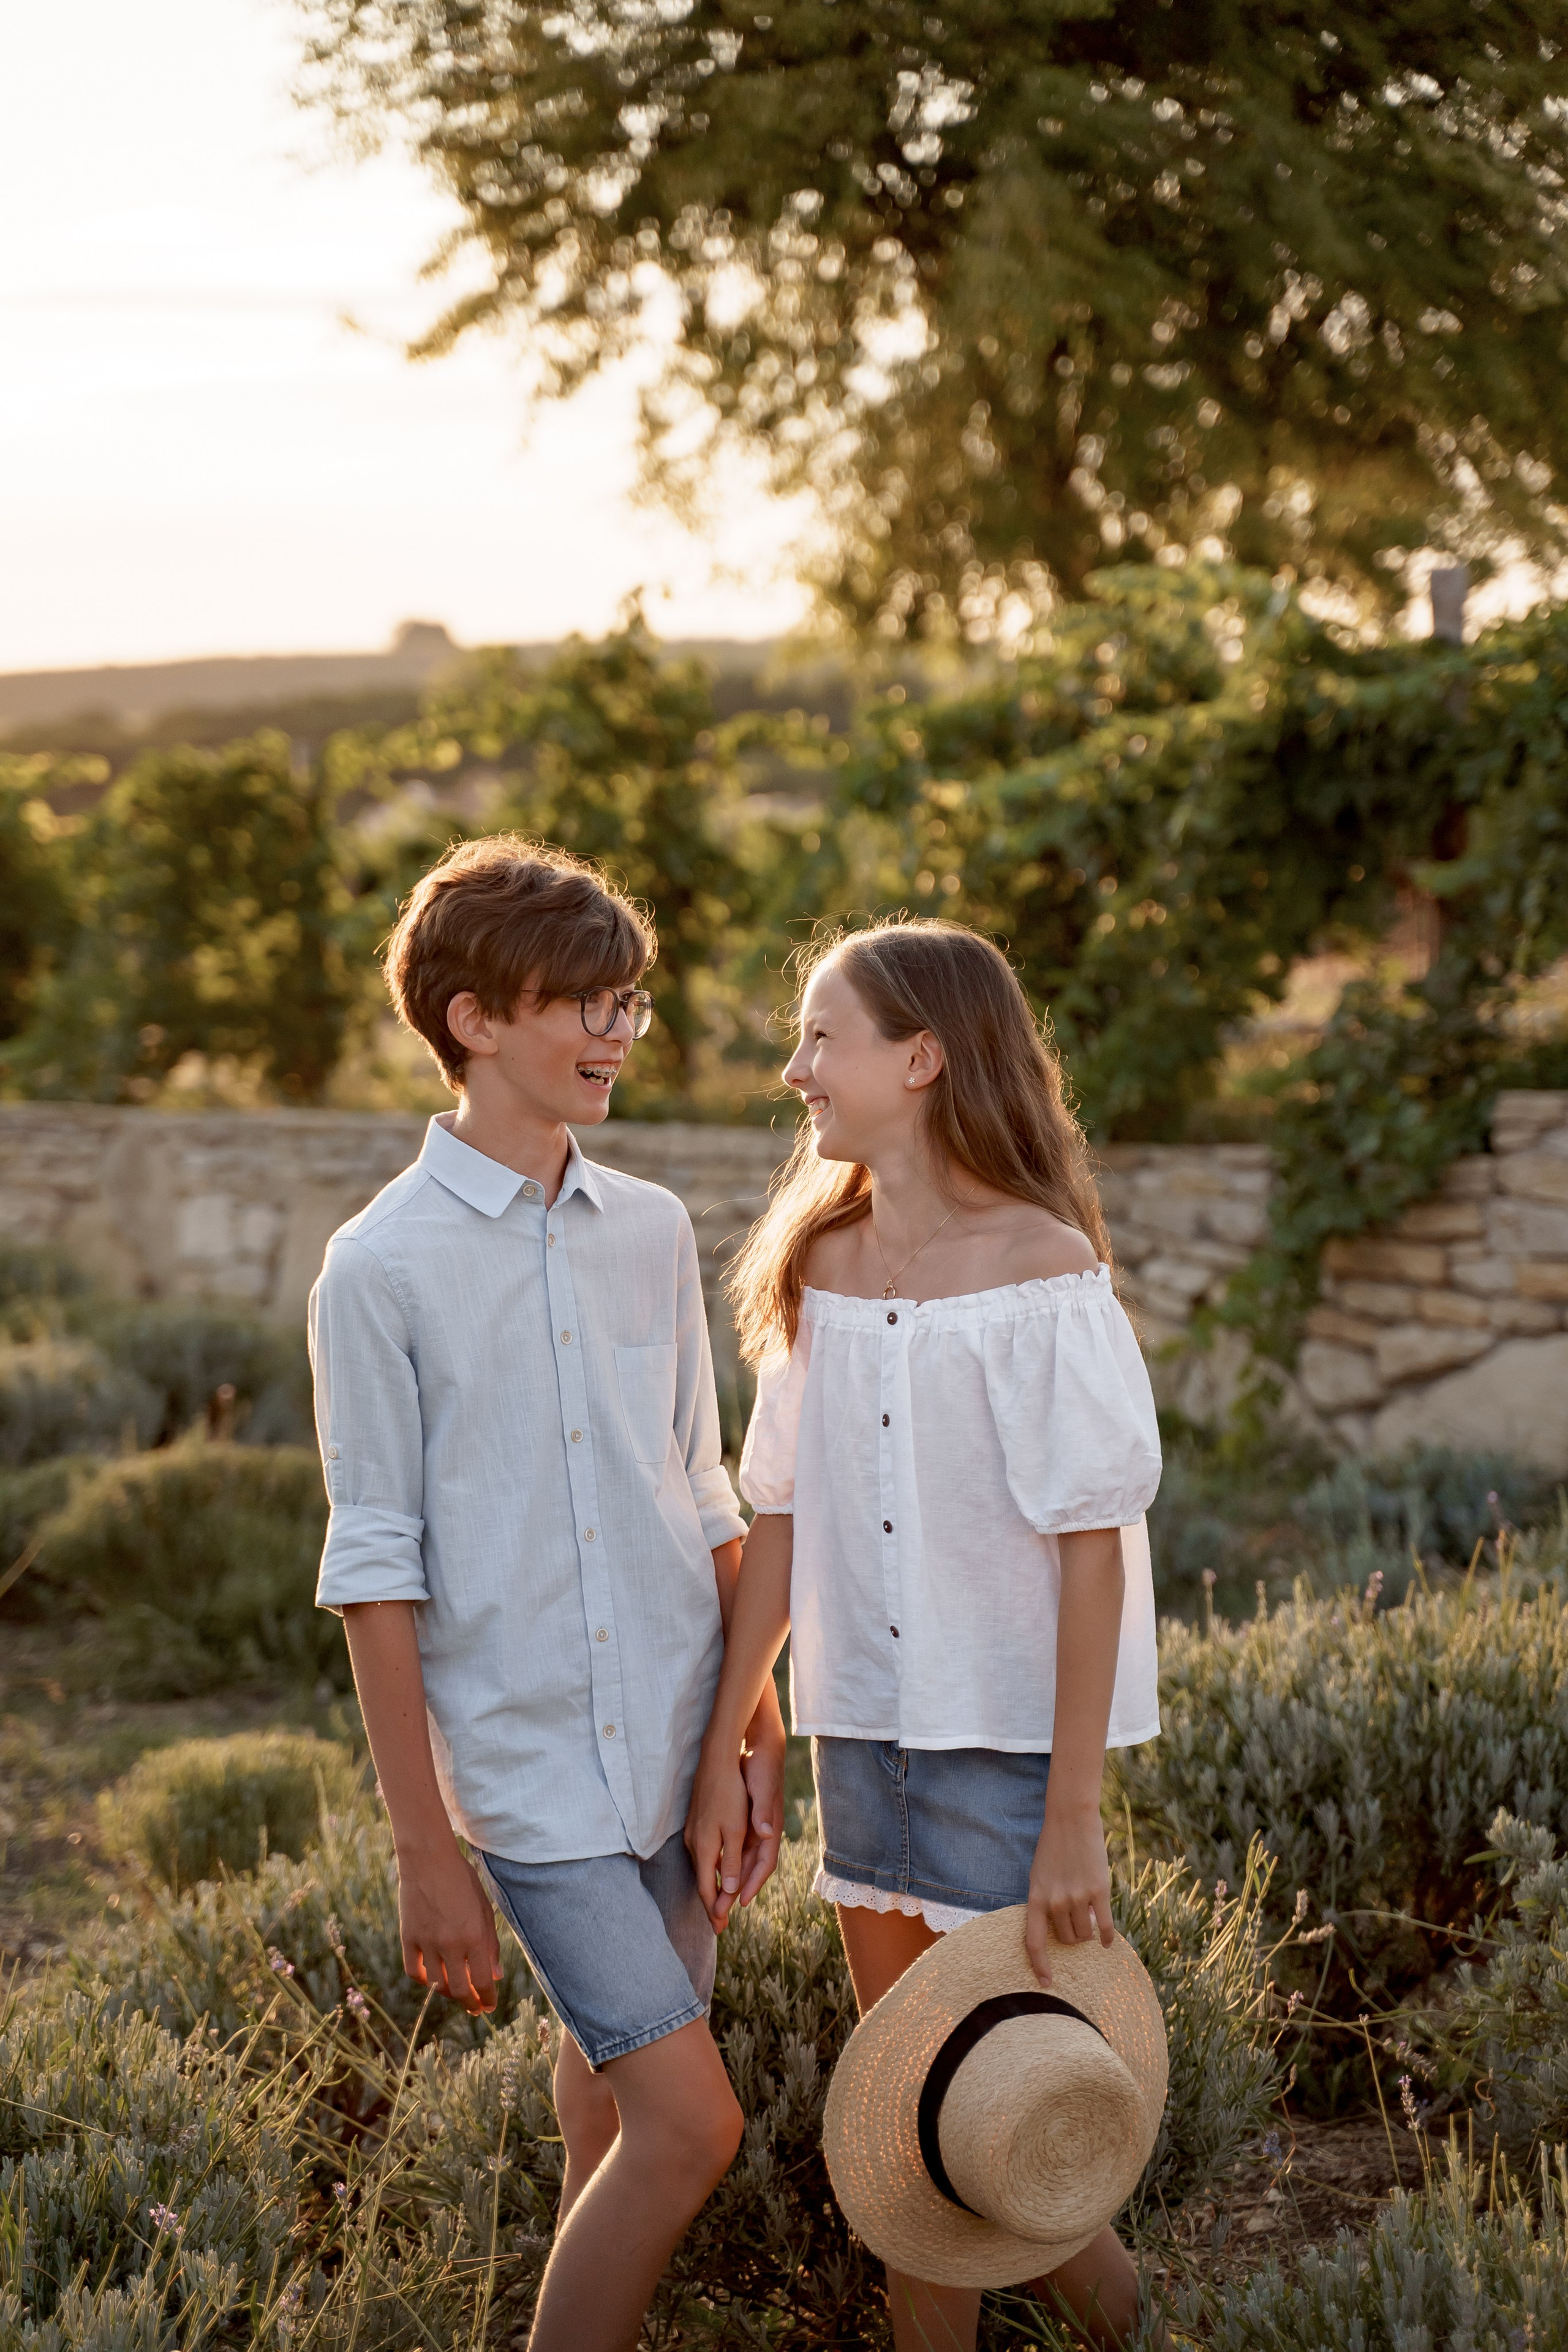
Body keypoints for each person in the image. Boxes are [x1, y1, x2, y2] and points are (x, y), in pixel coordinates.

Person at [310, 836, 785, 2352]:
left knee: (606, 2116)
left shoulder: (650, 1229)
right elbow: (374, 1574)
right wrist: (423, 1849)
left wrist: (752, 1732)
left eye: (626, 1001)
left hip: (681, 1750)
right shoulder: (376, 1268)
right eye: (583, 1002)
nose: (616, 1032)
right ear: (474, 1021)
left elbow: (699, 1488)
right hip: (531, 1789)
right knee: (690, 2127)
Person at [686, 918, 1164, 2351]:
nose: (794, 1071)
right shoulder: (818, 1264)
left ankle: (1150, 2333)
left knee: (1009, 2122)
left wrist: (1070, 1818)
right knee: (917, 2130)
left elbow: (1092, 1550)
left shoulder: (1038, 1264)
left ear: (921, 1058)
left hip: (1007, 1756)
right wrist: (727, 1748)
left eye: (819, 1039)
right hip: (861, 1740)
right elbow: (779, 1519)